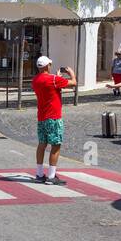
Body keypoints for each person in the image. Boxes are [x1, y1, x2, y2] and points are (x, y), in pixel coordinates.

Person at [31, 55, 75, 186]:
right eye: (49, 64)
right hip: (54, 117)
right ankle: (51, 175)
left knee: (42, 144)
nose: (50, 66)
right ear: (46, 66)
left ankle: (39, 174)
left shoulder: (35, 80)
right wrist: (71, 73)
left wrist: (57, 77)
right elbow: (73, 83)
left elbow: (51, 87)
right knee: (55, 145)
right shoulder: (54, 79)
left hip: (42, 116)